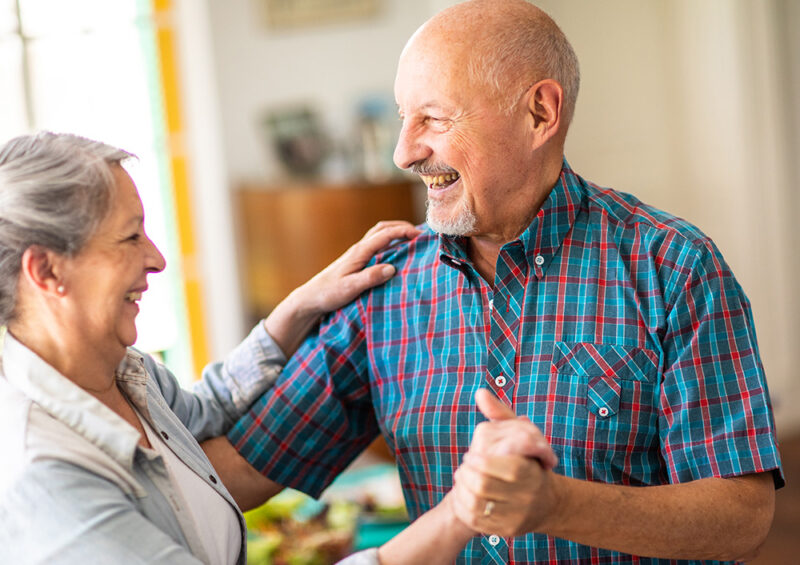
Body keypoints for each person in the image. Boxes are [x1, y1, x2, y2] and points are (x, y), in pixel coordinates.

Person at [207, 1, 785, 563]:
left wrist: (556, 504)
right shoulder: (385, 286)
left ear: (540, 113)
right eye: (402, 117)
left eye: (433, 117)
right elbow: (233, 476)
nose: (403, 151)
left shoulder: (676, 268)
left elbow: (740, 517)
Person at [0, 131, 422, 564]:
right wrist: (449, 522)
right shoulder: (43, 476)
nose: (157, 258)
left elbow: (203, 414)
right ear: (47, 270)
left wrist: (299, 306)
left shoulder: (124, 371)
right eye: (130, 237)